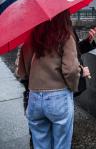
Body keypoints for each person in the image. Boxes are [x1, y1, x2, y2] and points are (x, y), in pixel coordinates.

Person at [16, 10, 90, 149]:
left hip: (34, 97)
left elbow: (22, 72)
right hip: (59, 97)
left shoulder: (30, 38)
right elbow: (70, 70)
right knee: (61, 144)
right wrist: (72, 87)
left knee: (40, 144)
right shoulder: (65, 36)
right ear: (63, 17)